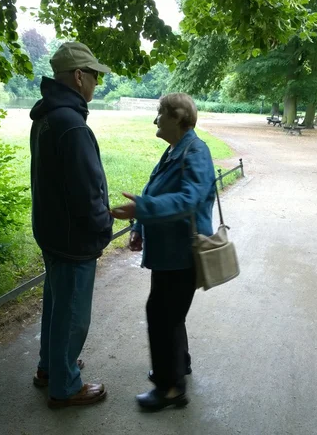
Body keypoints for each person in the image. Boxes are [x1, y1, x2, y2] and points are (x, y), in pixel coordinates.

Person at [111, 93, 216, 411]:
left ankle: (170, 388)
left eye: (160, 112)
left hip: (182, 254)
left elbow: (190, 200)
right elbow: (154, 189)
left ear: (178, 117)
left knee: (161, 314)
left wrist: (141, 209)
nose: (155, 119)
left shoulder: (196, 151)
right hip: (168, 253)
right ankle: (178, 364)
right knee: (170, 314)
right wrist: (139, 228)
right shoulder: (174, 150)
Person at [29, 42, 113, 408]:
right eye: (94, 76)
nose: (97, 83)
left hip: (51, 231)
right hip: (73, 238)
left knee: (57, 304)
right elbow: (87, 192)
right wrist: (101, 230)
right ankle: (65, 385)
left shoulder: (46, 117)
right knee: (73, 312)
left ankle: (50, 367)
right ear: (79, 77)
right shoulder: (72, 124)